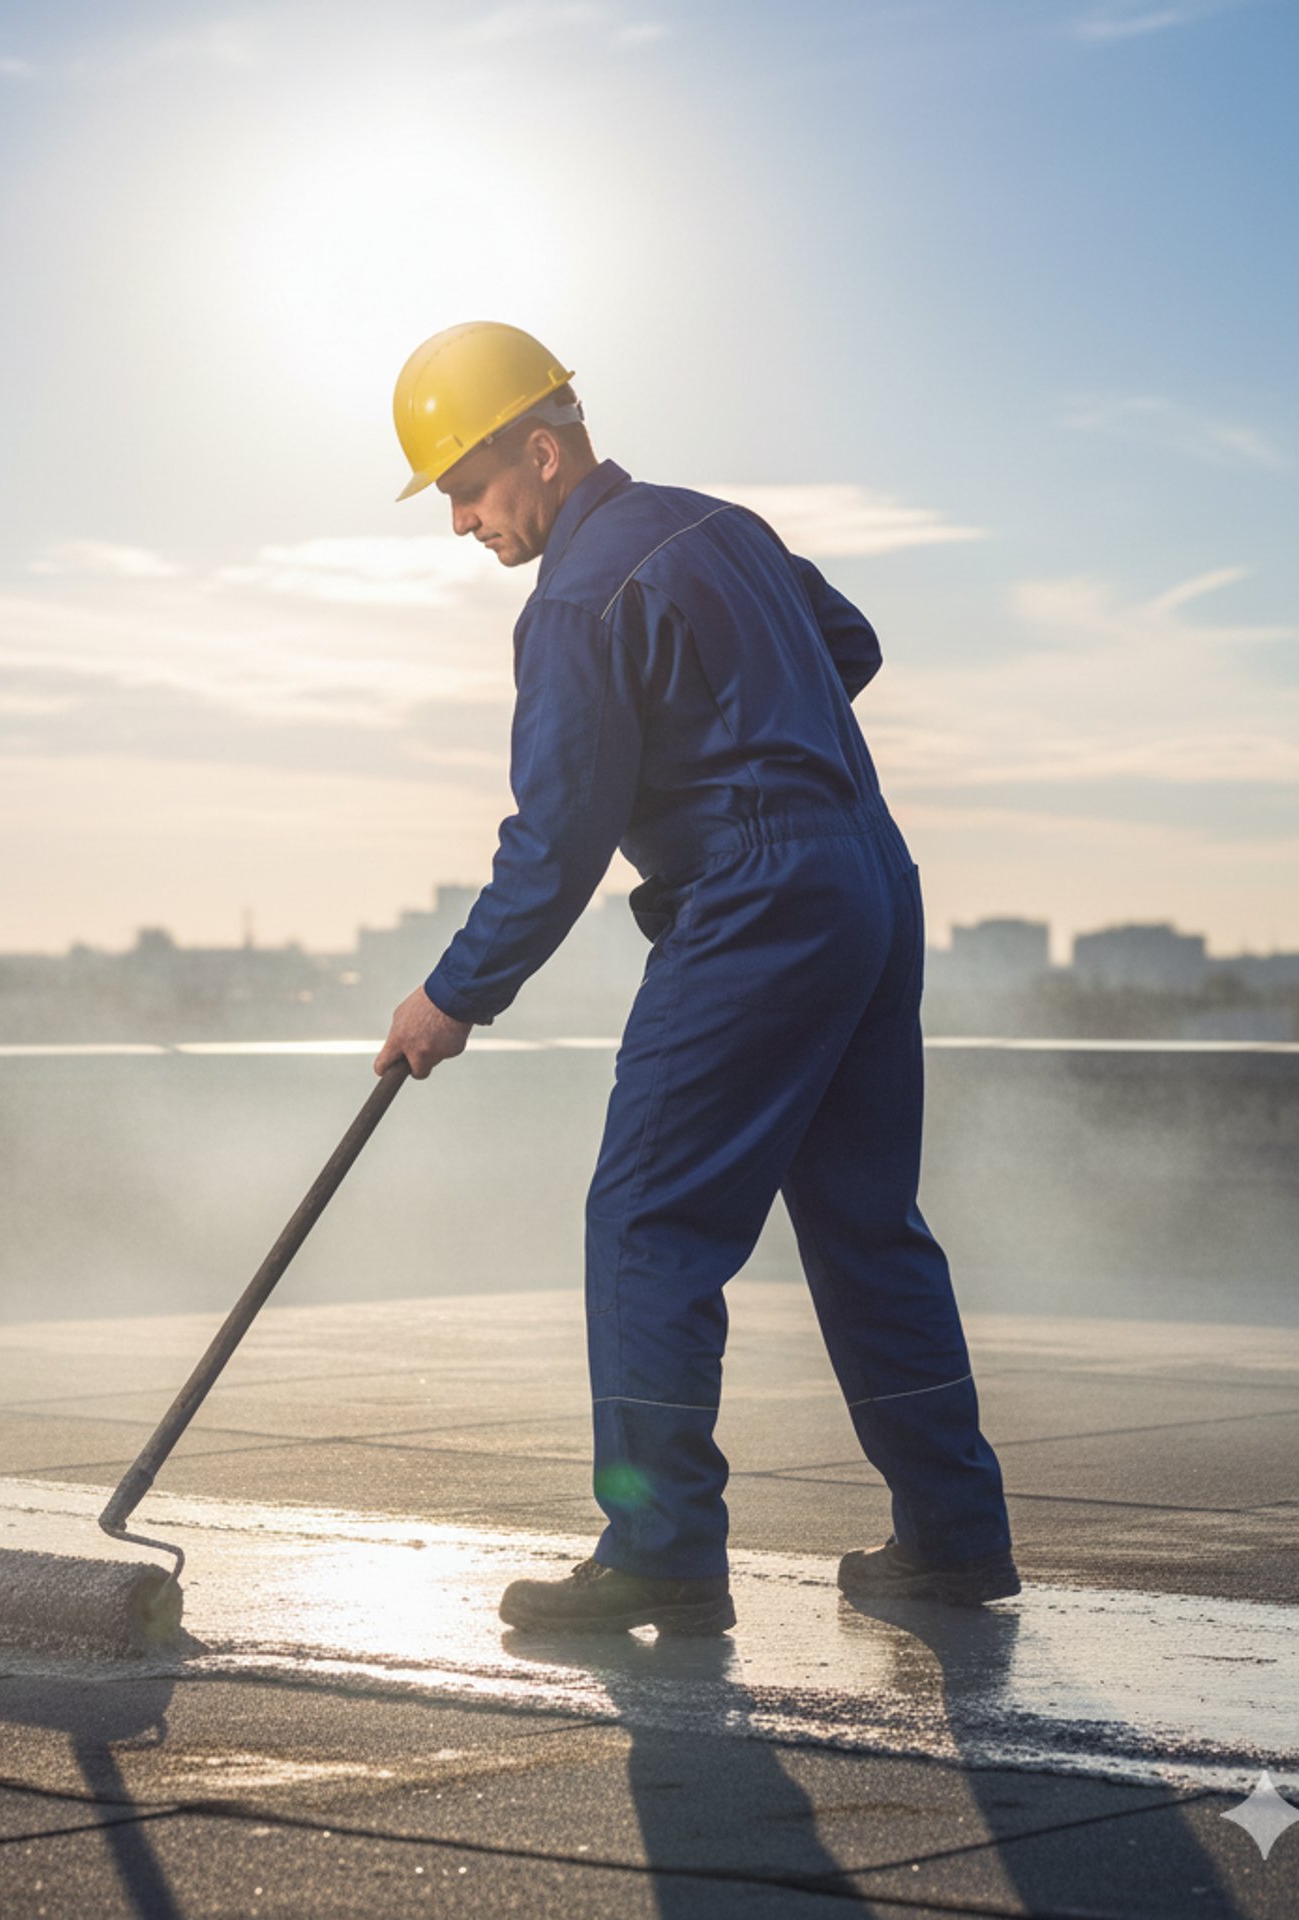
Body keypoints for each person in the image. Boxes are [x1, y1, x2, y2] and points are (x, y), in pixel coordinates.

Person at [372, 321, 1018, 1634]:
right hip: (870, 878)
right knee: (867, 1223)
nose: (459, 522)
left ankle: (661, 1550)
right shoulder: (721, 527)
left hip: (758, 901)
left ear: (540, 452)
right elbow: (850, 645)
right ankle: (954, 1538)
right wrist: (754, 730)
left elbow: (556, 843)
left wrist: (450, 996)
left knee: (647, 1224)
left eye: (467, 486)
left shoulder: (573, 603)